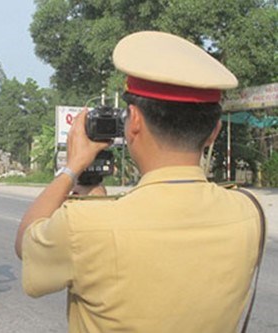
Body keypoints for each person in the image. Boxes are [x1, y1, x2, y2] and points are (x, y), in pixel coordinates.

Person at [15, 31, 265, 333]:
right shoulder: (250, 213)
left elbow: (26, 243)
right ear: (214, 131)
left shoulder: (83, 227)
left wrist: (72, 167)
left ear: (133, 121)